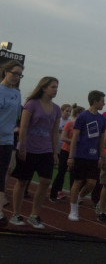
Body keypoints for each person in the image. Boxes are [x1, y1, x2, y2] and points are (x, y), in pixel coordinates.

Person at [10, 77, 61, 229]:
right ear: (44, 88)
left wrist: (55, 152)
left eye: (57, 87)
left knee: (45, 181)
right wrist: (22, 146)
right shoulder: (31, 104)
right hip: (29, 148)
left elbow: (54, 132)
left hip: (45, 149)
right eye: (53, 87)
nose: (56, 90)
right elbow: (24, 127)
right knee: (22, 181)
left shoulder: (56, 109)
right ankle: (16, 213)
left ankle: (34, 215)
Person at [67, 90, 106, 221]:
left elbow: (101, 139)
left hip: (94, 157)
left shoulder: (101, 119)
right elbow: (75, 137)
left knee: (92, 183)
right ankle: (73, 210)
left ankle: (78, 198)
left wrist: (101, 156)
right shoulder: (83, 116)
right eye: (102, 101)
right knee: (77, 182)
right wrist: (71, 156)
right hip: (81, 155)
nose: (104, 103)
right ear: (95, 101)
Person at [0, 60, 23, 226]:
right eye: (14, 73)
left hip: (7, 140)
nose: (16, 77)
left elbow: (15, 116)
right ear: (5, 71)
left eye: (19, 74)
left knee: (2, 175)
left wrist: (16, 128)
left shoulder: (17, 94)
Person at [49, 103, 72, 201]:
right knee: (50, 169)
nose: (68, 113)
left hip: (63, 149)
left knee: (61, 171)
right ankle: (51, 189)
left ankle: (59, 191)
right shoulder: (58, 120)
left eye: (69, 111)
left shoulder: (70, 122)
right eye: (66, 111)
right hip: (53, 148)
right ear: (62, 111)